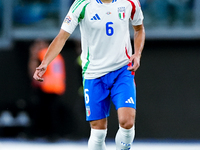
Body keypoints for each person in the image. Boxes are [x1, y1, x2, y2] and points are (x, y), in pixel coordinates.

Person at [33, 0, 145, 149]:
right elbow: (62, 37)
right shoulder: (82, 4)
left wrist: (137, 54)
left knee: (127, 122)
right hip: (94, 74)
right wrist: (45, 63)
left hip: (122, 70)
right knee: (98, 131)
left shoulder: (129, 2)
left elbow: (139, 29)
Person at [28, 39, 66, 140]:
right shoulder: (57, 55)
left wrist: (33, 55)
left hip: (45, 86)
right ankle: (53, 134)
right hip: (57, 86)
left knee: (41, 111)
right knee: (52, 112)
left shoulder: (42, 54)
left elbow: (34, 71)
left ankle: (37, 133)